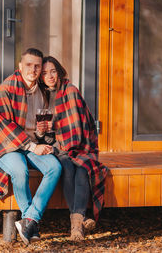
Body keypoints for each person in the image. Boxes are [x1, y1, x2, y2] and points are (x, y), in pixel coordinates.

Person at [0, 48, 62, 245]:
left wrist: (40, 132)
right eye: (29, 65)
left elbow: (38, 129)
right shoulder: (6, 88)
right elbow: (3, 125)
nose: (33, 69)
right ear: (20, 66)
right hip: (5, 146)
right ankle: (32, 223)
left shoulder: (42, 91)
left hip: (31, 144)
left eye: (37, 66)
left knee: (55, 167)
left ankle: (29, 220)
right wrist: (31, 146)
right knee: (20, 171)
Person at [37, 56, 109, 241]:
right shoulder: (42, 97)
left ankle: (76, 225)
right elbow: (43, 135)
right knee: (66, 167)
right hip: (57, 148)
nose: (50, 76)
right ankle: (80, 220)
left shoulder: (70, 90)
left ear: (59, 71)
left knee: (82, 168)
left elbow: (79, 124)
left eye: (53, 71)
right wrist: (41, 133)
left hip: (81, 145)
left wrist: (56, 130)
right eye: (45, 73)